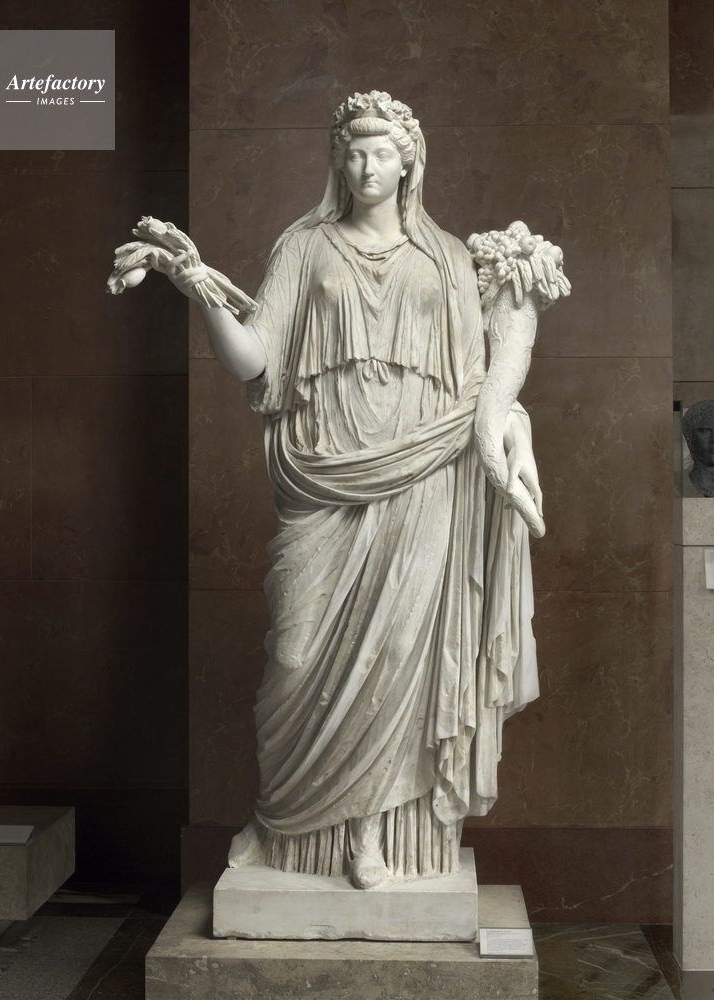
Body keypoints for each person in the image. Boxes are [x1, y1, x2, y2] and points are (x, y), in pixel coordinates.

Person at [160, 91, 569, 889]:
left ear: (409, 160)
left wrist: (508, 426)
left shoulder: (445, 258)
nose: (365, 165)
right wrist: (201, 290)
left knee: (398, 664)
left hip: (425, 480)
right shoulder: (303, 248)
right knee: (294, 656)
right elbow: (254, 361)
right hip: (322, 479)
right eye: (352, 151)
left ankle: (370, 836)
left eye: (381, 151)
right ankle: (281, 822)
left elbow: (479, 384)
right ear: (335, 160)